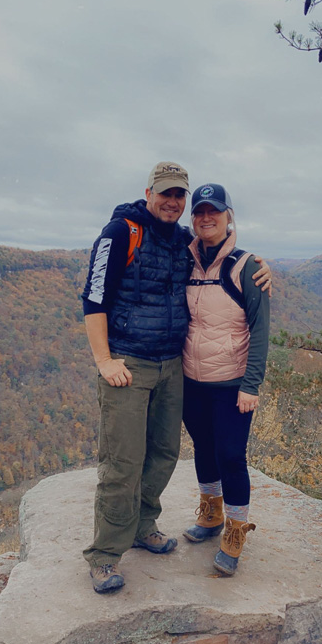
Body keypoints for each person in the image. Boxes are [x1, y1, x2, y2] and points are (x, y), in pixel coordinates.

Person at [82, 164, 271, 594]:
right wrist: (104, 360)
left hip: (174, 366)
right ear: (148, 192)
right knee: (123, 462)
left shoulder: (182, 243)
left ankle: (143, 525)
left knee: (165, 452)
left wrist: (262, 269)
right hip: (130, 363)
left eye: (179, 197)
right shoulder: (120, 232)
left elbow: (240, 287)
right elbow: (93, 298)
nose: (174, 203)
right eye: (166, 194)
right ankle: (105, 555)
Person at [182, 183, 270, 576]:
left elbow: (261, 329)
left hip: (232, 382)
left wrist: (251, 384)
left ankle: (235, 532)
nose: (205, 217)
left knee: (231, 456)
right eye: (199, 211)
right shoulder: (185, 260)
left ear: (228, 215)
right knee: (203, 447)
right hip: (191, 380)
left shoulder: (245, 265)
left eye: (214, 211)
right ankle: (211, 514)